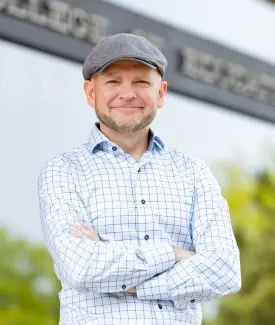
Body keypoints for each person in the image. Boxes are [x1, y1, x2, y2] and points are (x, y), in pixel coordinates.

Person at [38, 33, 241, 325]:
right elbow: (82, 267)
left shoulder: (194, 173)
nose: (127, 93)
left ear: (161, 93)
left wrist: (129, 282)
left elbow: (225, 270)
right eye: (113, 81)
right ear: (91, 92)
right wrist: (174, 254)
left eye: (141, 82)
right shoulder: (63, 171)